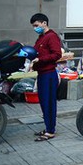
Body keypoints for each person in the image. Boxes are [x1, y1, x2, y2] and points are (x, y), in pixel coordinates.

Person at [30, 13, 63, 141]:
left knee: (49, 103)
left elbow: (57, 54)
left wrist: (40, 59)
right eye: (33, 26)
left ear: (44, 23)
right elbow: (35, 51)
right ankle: (48, 127)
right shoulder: (41, 37)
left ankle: (50, 131)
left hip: (49, 74)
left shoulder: (51, 37)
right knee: (44, 103)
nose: (35, 28)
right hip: (42, 74)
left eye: (36, 25)